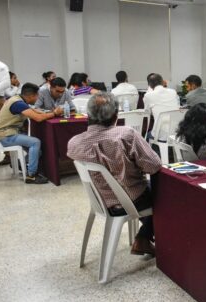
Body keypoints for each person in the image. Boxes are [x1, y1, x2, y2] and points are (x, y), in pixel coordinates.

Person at [67, 93, 162, 256]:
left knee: (148, 191)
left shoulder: (74, 142)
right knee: (167, 193)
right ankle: (145, 237)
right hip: (131, 201)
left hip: (101, 201)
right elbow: (153, 166)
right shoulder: (126, 135)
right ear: (115, 116)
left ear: (88, 116)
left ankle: (144, 237)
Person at [0, 83, 64, 183]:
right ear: (31, 96)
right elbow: (38, 118)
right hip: (6, 135)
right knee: (35, 142)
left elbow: (35, 111)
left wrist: (50, 112)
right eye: (37, 95)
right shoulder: (18, 104)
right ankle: (31, 175)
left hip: (9, 133)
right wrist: (54, 114)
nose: (38, 98)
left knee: (38, 150)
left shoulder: (18, 99)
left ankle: (22, 163)